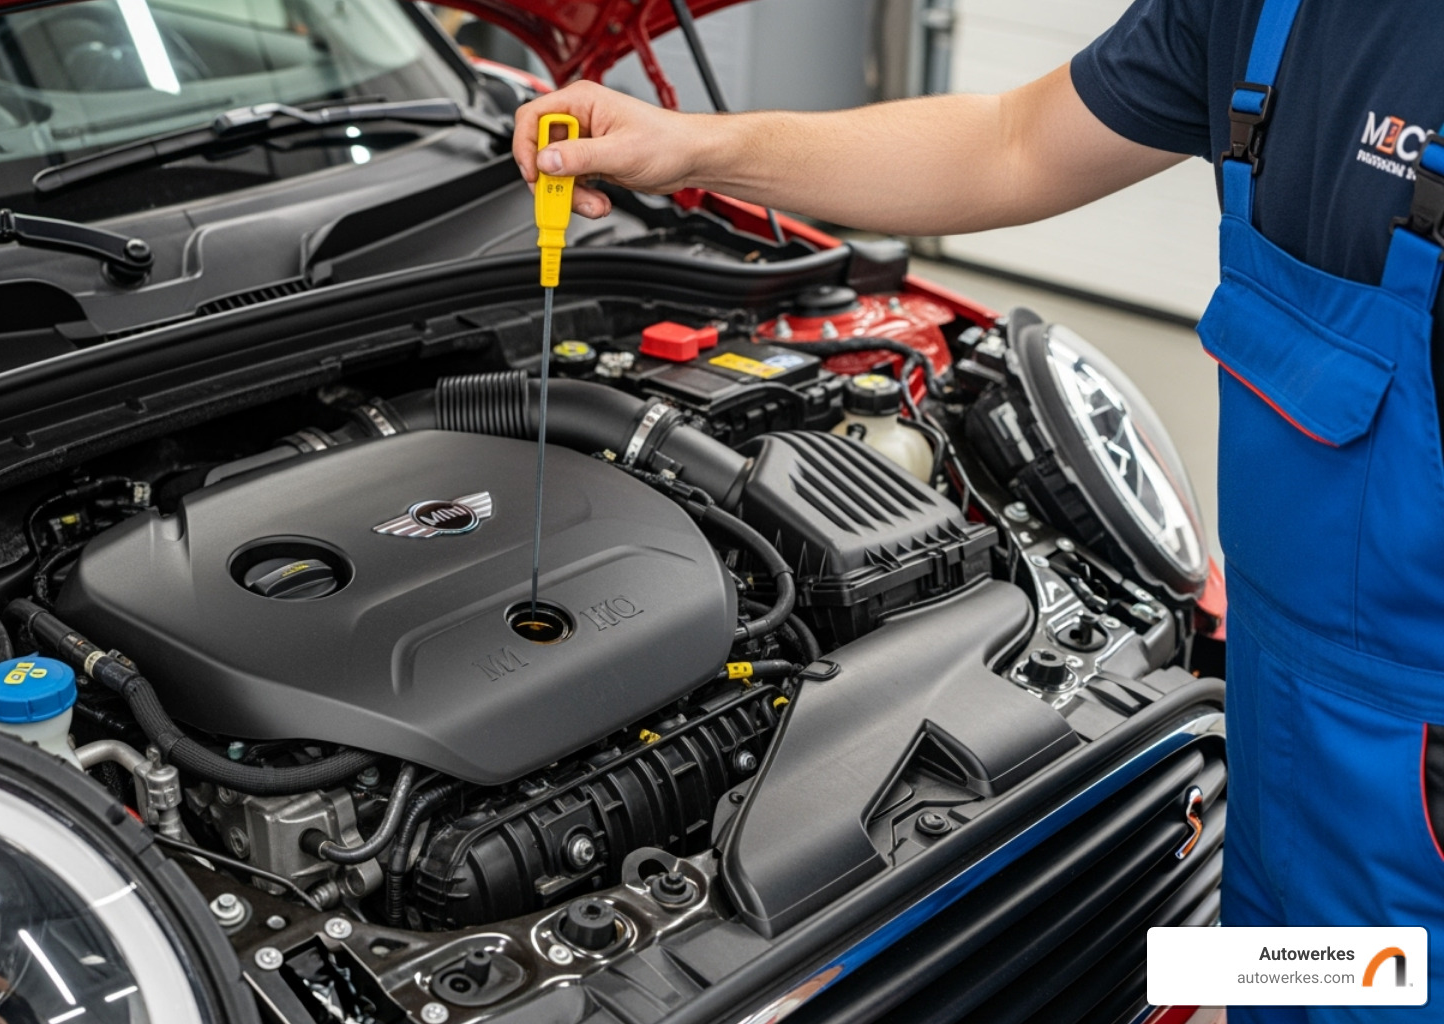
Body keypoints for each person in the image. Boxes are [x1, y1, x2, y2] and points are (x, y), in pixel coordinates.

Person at [512, 1, 1444, 1020]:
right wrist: (697, 147)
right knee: (1274, 968)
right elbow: (1011, 143)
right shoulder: (1251, 10)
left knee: (1389, 985)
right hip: (1279, 703)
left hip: (1418, 767)